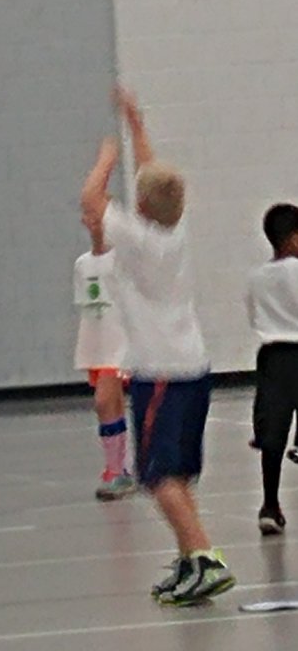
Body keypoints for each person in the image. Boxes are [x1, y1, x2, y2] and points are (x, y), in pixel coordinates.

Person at [79, 87, 235, 606]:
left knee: (158, 475)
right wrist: (137, 125)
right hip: (194, 366)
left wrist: (106, 157)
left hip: (160, 370)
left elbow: (91, 203)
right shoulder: (176, 230)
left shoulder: (136, 238)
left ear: (141, 205)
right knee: (176, 475)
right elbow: (154, 177)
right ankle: (190, 560)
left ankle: (206, 557)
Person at [245, 203, 298, 535]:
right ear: (293, 239)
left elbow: (254, 317)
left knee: (273, 436)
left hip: (272, 357)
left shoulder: (257, 277)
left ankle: (270, 505)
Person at [73, 225, 135, 499]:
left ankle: (117, 470)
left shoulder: (122, 261)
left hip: (119, 343)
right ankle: (120, 468)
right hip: (96, 342)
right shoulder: (82, 264)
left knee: (103, 400)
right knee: (111, 404)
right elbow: (87, 307)